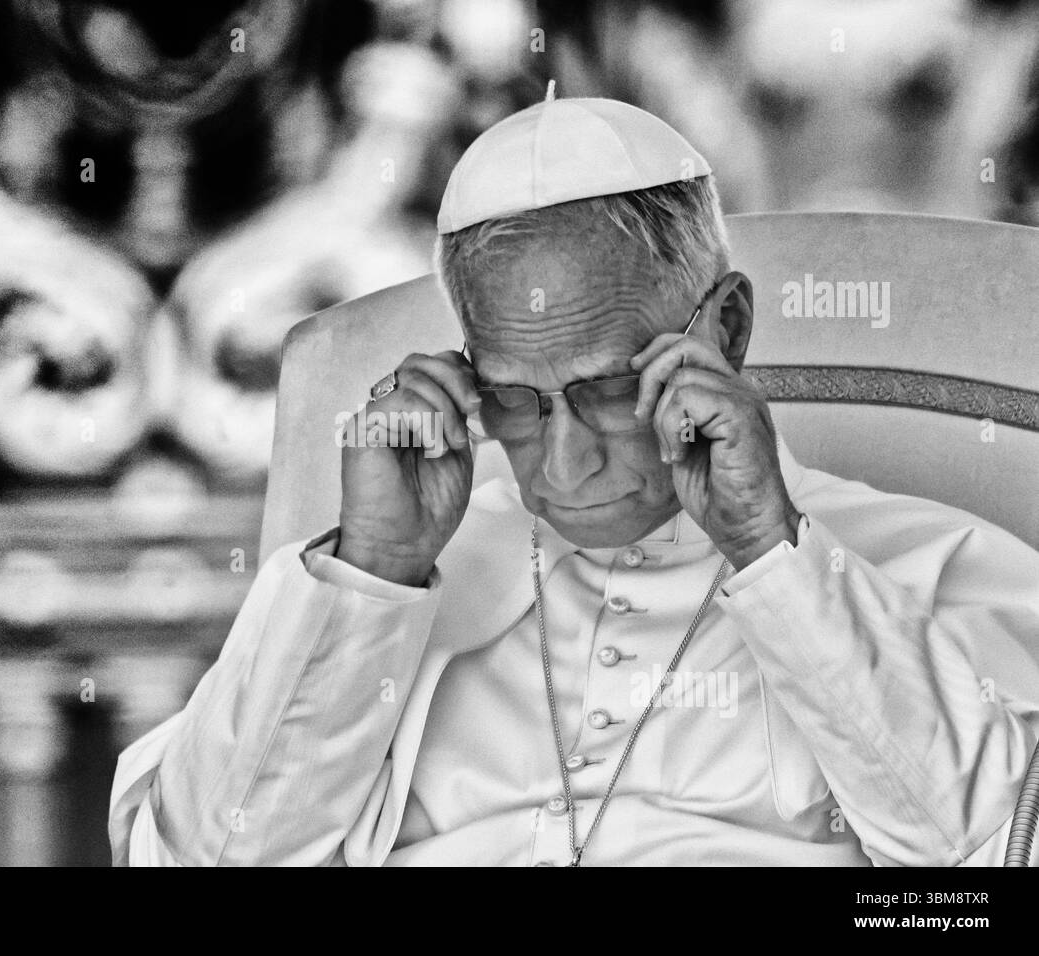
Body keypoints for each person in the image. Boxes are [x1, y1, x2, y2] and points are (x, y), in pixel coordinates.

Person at [110, 90, 1039, 866]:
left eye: (606, 390)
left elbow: (990, 869)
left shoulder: (928, 561)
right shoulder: (398, 571)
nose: (564, 464)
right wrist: (372, 573)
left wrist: (772, 553)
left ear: (726, 331)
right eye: (514, 402)